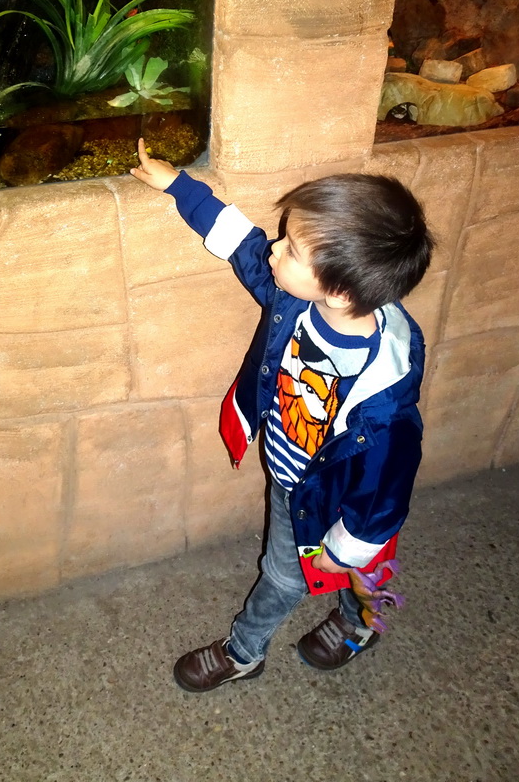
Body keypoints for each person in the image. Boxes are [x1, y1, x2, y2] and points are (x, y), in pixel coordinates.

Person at [130, 138, 434, 692]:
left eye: (291, 249)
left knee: (296, 573)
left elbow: (385, 492)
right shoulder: (295, 297)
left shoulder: (385, 405)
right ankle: (356, 612)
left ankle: (249, 649)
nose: (274, 251)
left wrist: (347, 546)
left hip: (334, 500)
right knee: (347, 573)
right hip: (291, 475)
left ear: (340, 291)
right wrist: (178, 185)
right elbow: (242, 243)